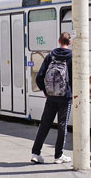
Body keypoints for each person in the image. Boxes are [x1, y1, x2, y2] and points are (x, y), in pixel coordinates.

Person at [31, 32, 73, 165]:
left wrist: (45, 91)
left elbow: (39, 77)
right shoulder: (72, 56)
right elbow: (74, 78)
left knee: (44, 124)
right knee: (62, 126)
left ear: (59, 40)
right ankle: (58, 155)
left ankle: (36, 153)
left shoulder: (50, 55)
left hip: (51, 96)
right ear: (69, 42)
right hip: (65, 97)